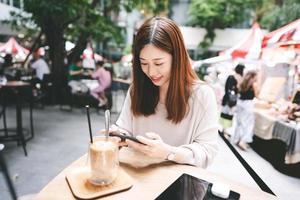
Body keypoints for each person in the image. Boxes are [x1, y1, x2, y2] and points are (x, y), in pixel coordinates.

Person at [113, 17, 218, 168]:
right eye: (143, 63)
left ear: (177, 57)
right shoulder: (137, 90)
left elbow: (207, 152)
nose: (151, 72)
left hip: (180, 185)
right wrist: (117, 135)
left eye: (158, 63)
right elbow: (125, 129)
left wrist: (168, 152)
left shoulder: (202, 95)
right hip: (137, 180)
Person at [231, 71, 258, 151]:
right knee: (248, 125)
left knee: (240, 123)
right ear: (253, 77)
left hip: (240, 104)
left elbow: (239, 92)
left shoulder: (242, 83)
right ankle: (242, 141)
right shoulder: (253, 85)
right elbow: (256, 95)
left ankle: (236, 139)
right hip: (248, 105)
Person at [219, 64, 245, 134]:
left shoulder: (231, 77)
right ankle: (225, 128)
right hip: (235, 98)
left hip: (229, 98)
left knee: (226, 112)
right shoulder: (241, 78)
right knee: (230, 114)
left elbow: (227, 88)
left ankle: (223, 128)